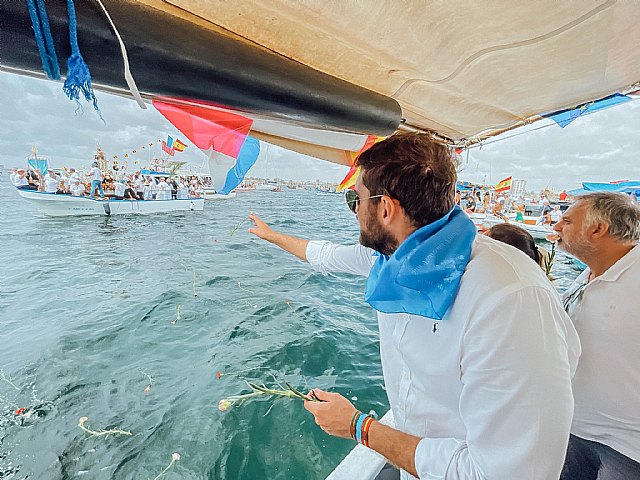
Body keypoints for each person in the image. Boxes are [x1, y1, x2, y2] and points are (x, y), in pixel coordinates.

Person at [249, 133, 579, 479]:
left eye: (355, 199)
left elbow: (505, 474)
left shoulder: (508, 298)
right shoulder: (393, 258)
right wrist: (273, 236)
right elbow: (326, 255)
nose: (355, 210)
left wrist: (359, 427)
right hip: (417, 465)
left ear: (385, 209)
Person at [551, 192, 640, 480]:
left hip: (628, 447)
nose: (555, 227)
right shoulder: (590, 274)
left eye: (566, 221)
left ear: (598, 229)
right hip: (573, 428)